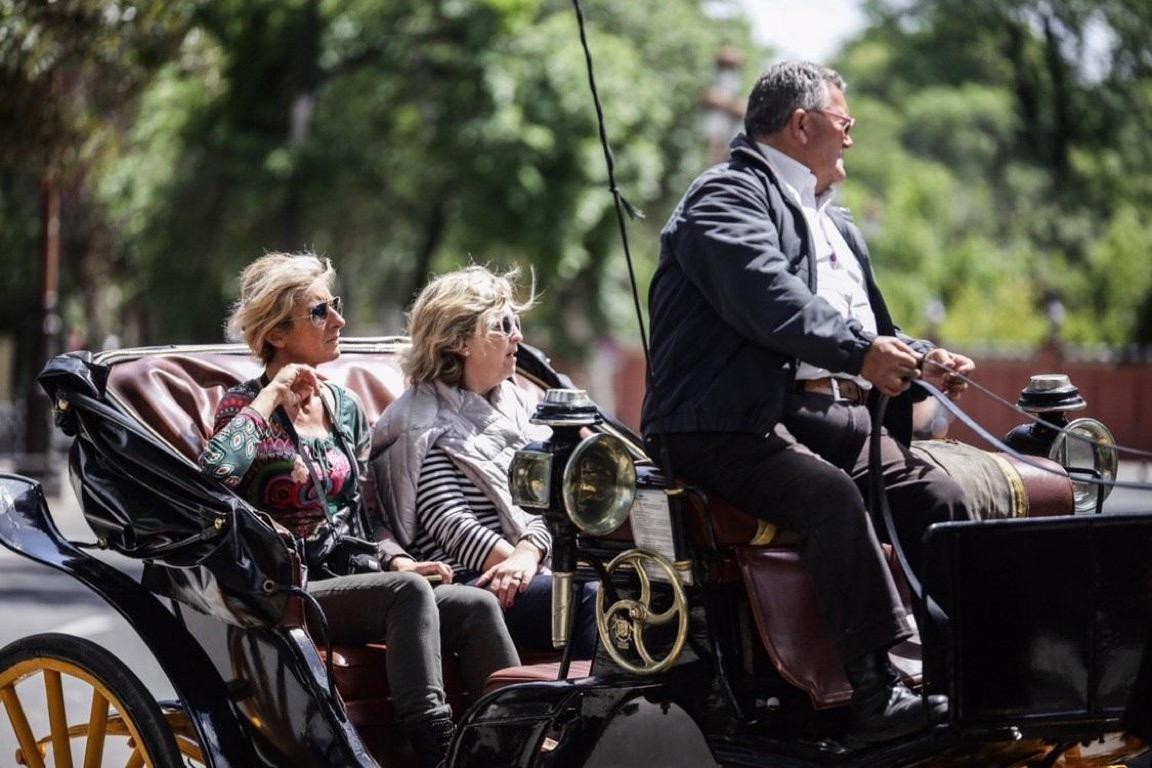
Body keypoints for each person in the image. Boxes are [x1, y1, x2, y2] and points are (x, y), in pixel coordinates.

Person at [641, 61, 972, 744]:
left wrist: (917, 358)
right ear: (802, 124)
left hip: (814, 417)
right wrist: (863, 353)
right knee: (828, 498)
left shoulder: (836, 225)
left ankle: (960, 675)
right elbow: (772, 299)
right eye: (844, 124)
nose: (851, 139)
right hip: (722, 424)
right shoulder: (725, 199)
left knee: (938, 498)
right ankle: (875, 694)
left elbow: (868, 329)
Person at [199, 252, 519, 768]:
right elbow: (214, 474)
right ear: (277, 334)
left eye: (336, 305)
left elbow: (366, 515)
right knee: (408, 594)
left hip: (357, 577)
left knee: (473, 605)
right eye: (321, 312)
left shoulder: (343, 406)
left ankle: (513, 747)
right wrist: (272, 397)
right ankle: (435, 753)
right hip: (285, 588)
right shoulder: (242, 406)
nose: (339, 321)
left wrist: (397, 560)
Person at [370, 265, 599, 660]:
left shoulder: (522, 405)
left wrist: (529, 554)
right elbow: (452, 523)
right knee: (589, 597)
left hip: (529, 567)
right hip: (470, 582)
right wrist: (519, 564)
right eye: (502, 324)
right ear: (460, 341)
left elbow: (551, 502)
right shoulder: (415, 423)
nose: (518, 336)